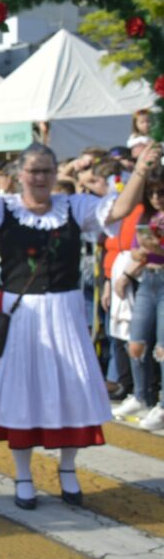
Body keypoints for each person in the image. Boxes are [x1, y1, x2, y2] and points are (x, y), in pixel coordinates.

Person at [0, 132, 162, 509]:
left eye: (45, 170)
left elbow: (120, 209)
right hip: (23, 314)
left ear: (55, 172)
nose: (39, 177)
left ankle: (68, 470)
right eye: (33, 171)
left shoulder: (73, 206)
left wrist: (141, 169)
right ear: (20, 173)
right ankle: (24, 476)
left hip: (64, 310)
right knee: (22, 391)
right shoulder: (1, 208)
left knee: (71, 389)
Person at [114, 167, 164, 430]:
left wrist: (157, 248)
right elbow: (137, 253)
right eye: (152, 192)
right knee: (136, 344)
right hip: (148, 281)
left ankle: (162, 405)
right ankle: (142, 396)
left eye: (161, 192)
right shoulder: (147, 216)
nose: (156, 197)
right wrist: (126, 274)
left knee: (162, 349)